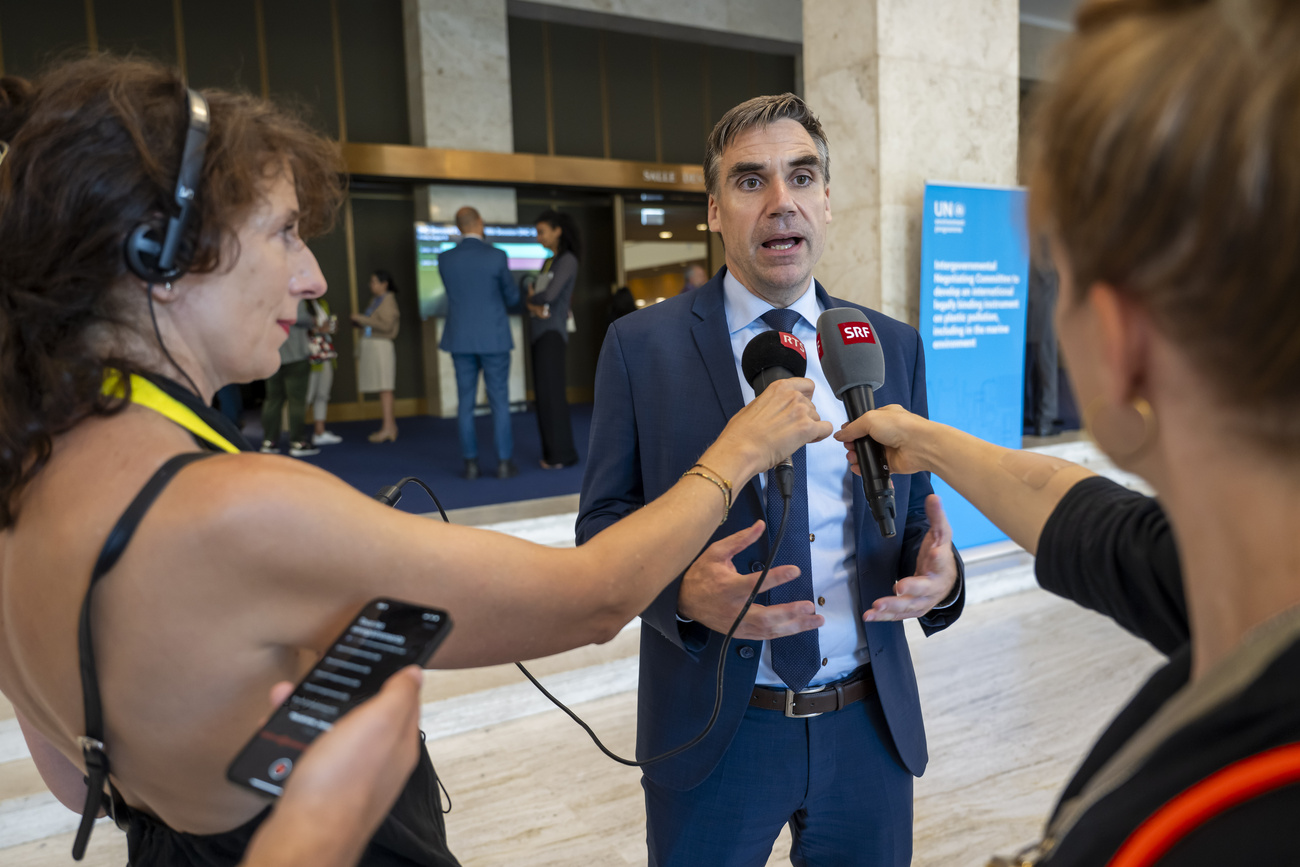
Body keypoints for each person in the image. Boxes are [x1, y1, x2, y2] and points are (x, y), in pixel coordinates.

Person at [0, 55, 827, 867]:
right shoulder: (236, 507)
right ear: (160, 253)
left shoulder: (25, 480)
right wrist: (739, 448)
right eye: (285, 232)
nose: (314, 275)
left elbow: (84, 781)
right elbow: (595, 597)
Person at [838, 1, 1300, 863]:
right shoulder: (1236, 571)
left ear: (1122, 343)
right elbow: (1074, 506)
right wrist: (922, 438)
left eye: (1061, 276)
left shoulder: (1202, 825)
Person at [577, 93, 964, 867]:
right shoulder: (639, 347)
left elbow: (915, 513)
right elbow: (601, 524)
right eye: (751, 181)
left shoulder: (887, 344)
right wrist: (681, 593)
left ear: (827, 198)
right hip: (717, 724)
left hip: (869, 726)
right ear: (715, 210)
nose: (781, 201)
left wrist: (943, 576)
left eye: (802, 176)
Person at [437, 206, 520, 480]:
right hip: (494, 338)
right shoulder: (497, 256)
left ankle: (471, 465)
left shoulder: (445, 259)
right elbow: (510, 297)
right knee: (499, 402)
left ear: (459, 226)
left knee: (465, 404)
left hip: (460, 338)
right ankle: (504, 464)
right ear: (480, 223)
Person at [526, 210, 580, 469]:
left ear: (557, 230)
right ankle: (553, 454)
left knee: (552, 396)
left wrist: (530, 298)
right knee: (544, 396)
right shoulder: (551, 260)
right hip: (540, 333)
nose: (539, 237)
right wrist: (533, 298)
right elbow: (540, 293)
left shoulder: (566, 260)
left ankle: (562, 455)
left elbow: (547, 295)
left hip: (552, 333)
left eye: (542, 231)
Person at [259, 298, 318, 456]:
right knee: (296, 401)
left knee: (273, 400)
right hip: (296, 356)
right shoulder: (293, 298)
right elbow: (300, 318)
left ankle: (269, 441)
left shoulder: (265, 298)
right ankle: (297, 442)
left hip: (273, 356)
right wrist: (314, 320)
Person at [352, 269, 399, 443]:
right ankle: (389, 426)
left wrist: (362, 319)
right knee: (382, 388)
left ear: (384, 284)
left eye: (374, 282)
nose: (371, 285)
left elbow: (386, 325)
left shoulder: (388, 300)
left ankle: (388, 427)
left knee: (385, 387)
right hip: (373, 346)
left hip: (382, 348)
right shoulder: (376, 300)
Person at [306, 296, 342, 446]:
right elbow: (297, 329)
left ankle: (319, 432)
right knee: (306, 396)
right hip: (308, 354)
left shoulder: (322, 304)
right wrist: (319, 329)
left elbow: (328, 326)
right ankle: (296, 435)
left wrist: (332, 327)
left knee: (323, 394)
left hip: (325, 353)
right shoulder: (299, 304)